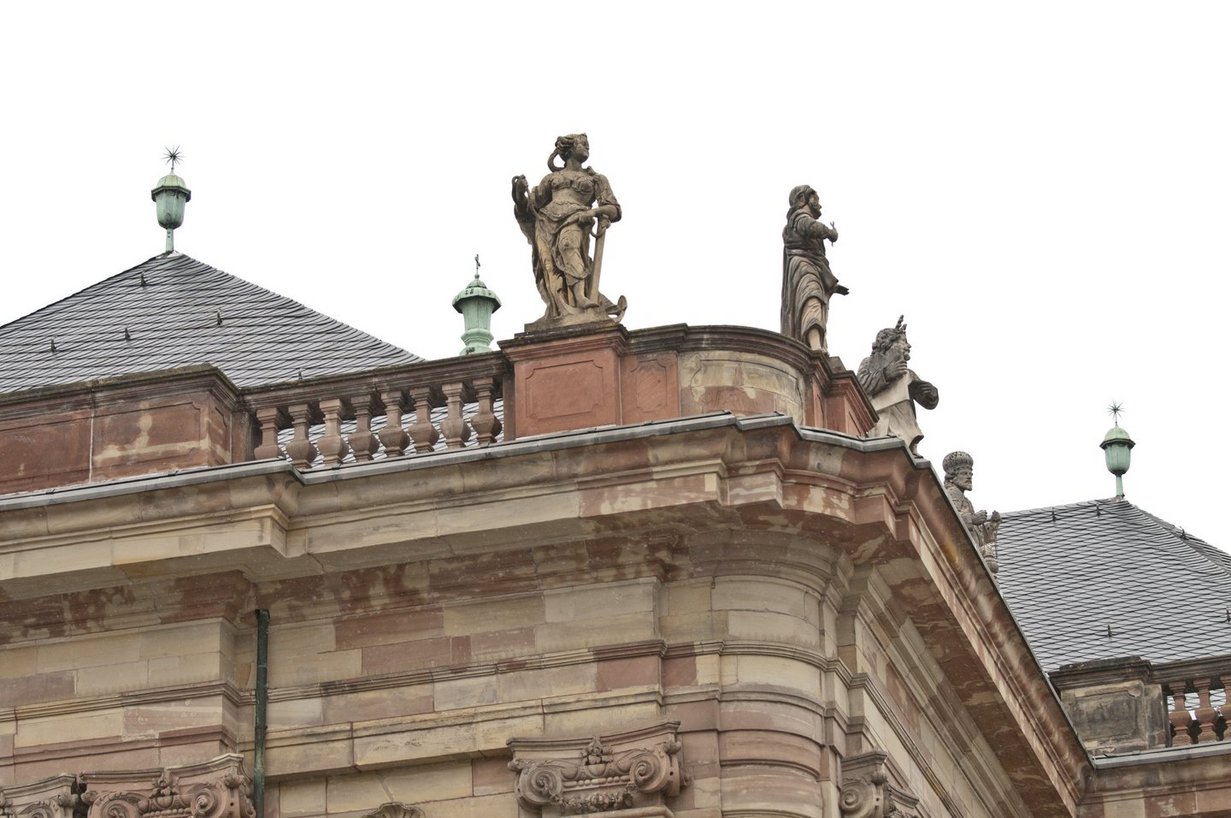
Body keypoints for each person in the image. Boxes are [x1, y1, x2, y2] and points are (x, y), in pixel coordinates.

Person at [512, 134, 625, 327]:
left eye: (587, 144)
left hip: (576, 219)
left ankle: (580, 297)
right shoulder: (552, 178)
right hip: (546, 223)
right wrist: (519, 192)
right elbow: (530, 205)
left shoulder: (596, 179)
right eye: (582, 144)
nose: (587, 147)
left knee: (567, 246)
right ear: (569, 149)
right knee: (549, 267)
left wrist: (594, 212)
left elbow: (614, 209)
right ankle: (559, 309)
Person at [857, 317, 938, 454]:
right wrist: (886, 374)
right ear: (889, 344)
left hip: (904, 427)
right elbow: (861, 387)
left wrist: (931, 394)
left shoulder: (907, 374)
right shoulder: (870, 363)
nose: (909, 346)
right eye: (904, 342)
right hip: (879, 421)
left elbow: (926, 401)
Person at [781, 185, 847, 353]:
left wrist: (832, 286)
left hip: (812, 268)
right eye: (815, 199)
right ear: (802, 198)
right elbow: (810, 227)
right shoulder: (798, 218)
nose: (819, 204)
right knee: (812, 299)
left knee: (816, 302)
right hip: (803, 267)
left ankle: (817, 344)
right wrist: (831, 233)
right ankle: (816, 347)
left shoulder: (800, 221)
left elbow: (818, 257)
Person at [942, 451, 1001, 575]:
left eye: (970, 474)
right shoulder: (952, 493)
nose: (969, 477)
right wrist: (973, 519)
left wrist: (991, 526)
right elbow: (949, 519)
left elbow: (976, 535)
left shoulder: (966, 501)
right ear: (952, 477)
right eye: (964, 473)